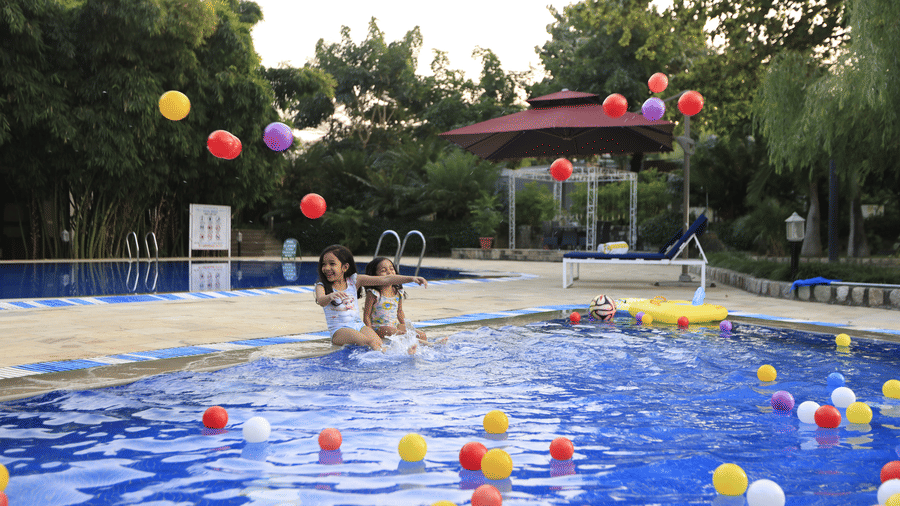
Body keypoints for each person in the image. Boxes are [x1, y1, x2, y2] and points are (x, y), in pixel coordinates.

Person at [315, 245, 427, 352]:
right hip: (339, 330)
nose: (326, 268)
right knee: (367, 342)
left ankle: (413, 349)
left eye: (332, 264)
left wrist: (411, 278)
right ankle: (388, 353)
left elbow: (386, 279)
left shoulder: (354, 281)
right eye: (323, 264)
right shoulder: (322, 285)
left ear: (345, 267)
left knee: (378, 342)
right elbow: (321, 300)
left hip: (359, 326)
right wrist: (329, 297)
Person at [363, 257, 427, 342]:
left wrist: (406, 327)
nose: (389, 272)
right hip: (379, 327)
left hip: (394, 325)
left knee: (420, 334)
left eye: (391, 269)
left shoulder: (398, 292)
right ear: (374, 276)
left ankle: (422, 348)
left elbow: (399, 312)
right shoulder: (374, 293)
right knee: (402, 334)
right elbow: (366, 316)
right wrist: (371, 334)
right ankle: (430, 344)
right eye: (383, 270)